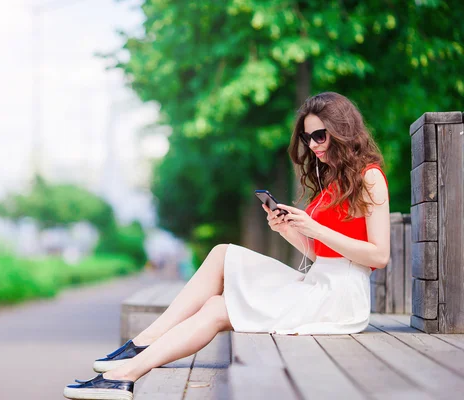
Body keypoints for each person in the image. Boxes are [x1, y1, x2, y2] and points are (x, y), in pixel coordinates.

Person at [63, 92, 391, 400]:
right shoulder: (331, 181)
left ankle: (131, 363)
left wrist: (316, 227)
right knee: (220, 266)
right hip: (320, 281)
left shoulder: (370, 177)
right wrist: (287, 230)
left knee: (219, 306)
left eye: (320, 135)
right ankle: (133, 361)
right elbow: (319, 253)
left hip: (341, 298)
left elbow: (379, 255)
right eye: (307, 138)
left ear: (342, 129)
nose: (313, 145)